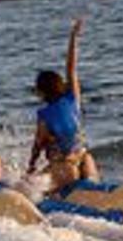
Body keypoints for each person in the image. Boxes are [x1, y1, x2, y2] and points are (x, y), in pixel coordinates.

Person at [29, 17, 100, 194]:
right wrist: (74, 37)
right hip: (85, 160)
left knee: (29, 190)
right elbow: (71, 68)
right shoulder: (72, 98)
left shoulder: (44, 114)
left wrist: (30, 167)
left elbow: (38, 145)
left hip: (64, 168)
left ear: (42, 91)